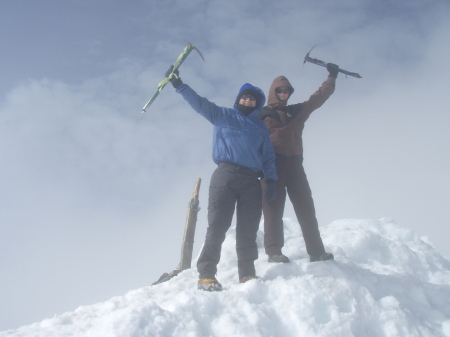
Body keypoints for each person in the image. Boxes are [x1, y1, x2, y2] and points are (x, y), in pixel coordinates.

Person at [164, 65, 278, 291]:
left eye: (252, 99)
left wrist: (272, 180)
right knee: (217, 226)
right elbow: (199, 103)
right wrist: (179, 85)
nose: (248, 101)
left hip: (251, 182)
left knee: (248, 229)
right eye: (244, 97)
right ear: (238, 99)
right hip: (225, 176)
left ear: (258, 103)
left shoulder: (260, 128)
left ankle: (247, 274)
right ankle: (206, 274)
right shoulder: (222, 115)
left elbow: (268, 157)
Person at [258, 63, 340, 263]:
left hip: (294, 166)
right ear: (273, 92)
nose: (284, 94)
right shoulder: (261, 115)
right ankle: (274, 251)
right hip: (271, 167)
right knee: (272, 210)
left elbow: (316, 99)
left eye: (287, 91)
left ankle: (317, 251)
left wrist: (331, 78)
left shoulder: (296, 112)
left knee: (306, 209)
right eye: (280, 90)